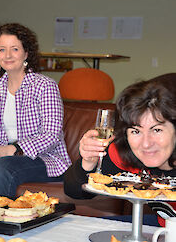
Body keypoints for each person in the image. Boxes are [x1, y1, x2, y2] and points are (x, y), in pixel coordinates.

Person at [0, 23, 71, 198]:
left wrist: (11, 149)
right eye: (2, 49)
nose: (7, 55)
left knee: (0, 169)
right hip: (4, 158)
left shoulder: (45, 85)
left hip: (45, 159)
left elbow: (51, 135)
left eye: (14, 49)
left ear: (26, 53)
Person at [64, 75, 176, 226]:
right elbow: (74, 190)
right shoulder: (125, 152)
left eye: (156, 130)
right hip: (164, 226)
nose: (146, 143)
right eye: (136, 131)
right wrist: (89, 161)